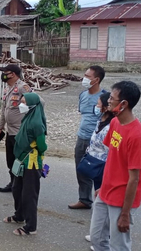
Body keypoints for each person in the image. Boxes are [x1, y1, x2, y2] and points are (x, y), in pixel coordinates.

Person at [90, 81, 141, 251]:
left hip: (121, 199)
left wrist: (125, 214)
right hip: (105, 193)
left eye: (112, 98)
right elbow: (111, 158)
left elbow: (134, 179)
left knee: (118, 245)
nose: (108, 101)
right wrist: (102, 187)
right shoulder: (115, 123)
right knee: (97, 239)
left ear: (124, 104)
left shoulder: (136, 135)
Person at [2, 92, 47, 236]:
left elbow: (42, 146)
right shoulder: (27, 118)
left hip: (31, 162)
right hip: (21, 159)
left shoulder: (36, 123)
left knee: (29, 195)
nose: (21, 105)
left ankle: (30, 226)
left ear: (32, 105)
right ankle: (19, 215)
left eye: (24, 102)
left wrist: (32, 148)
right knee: (17, 188)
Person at [69, 66, 106, 210]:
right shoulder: (83, 95)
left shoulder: (105, 97)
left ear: (96, 79)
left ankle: (102, 201)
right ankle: (84, 199)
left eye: (87, 76)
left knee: (97, 171)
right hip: (82, 137)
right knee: (82, 169)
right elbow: (83, 114)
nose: (83, 78)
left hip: (97, 141)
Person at [83, 92, 114, 248]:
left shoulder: (112, 125)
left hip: (105, 166)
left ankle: (104, 236)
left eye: (99, 103)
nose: (96, 106)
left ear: (107, 107)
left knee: (104, 201)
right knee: (98, 200)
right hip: (95, 163)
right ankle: (99, 233)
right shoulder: (100, 119)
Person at [0, 64, 32, 193]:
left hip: (20, 131)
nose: (3, 74)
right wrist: (0, 127)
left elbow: (38, 102)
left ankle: (20, 184)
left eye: (5, 72)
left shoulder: (23, 87)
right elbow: (3, 110)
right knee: (10, 160)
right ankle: (13, 183)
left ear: (13, 74)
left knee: (19, 160)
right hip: (9, 131)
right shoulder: (8, 89)